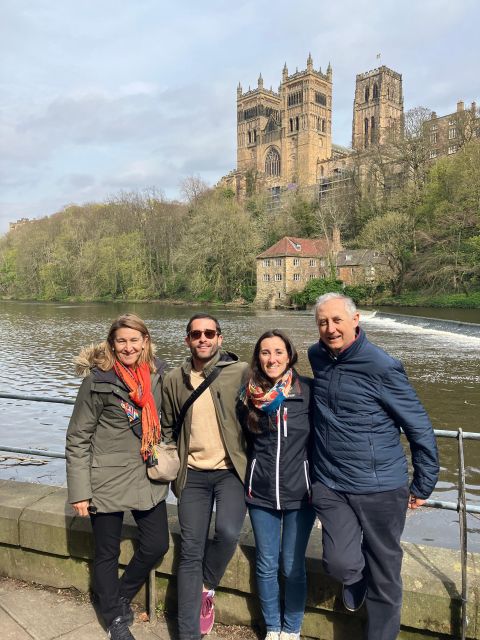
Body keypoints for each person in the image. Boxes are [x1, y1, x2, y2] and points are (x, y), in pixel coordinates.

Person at [308, 293, 439, 640]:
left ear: (356, 320)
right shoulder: (316, 356)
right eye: (323, 322)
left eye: (337, 320)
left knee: (385, 572)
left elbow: (418, 425)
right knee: (339, 562)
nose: (330, 328)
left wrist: (424, 483)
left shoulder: (381, 366)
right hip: (331, 482)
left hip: (380, 486)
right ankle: (354, 577)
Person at [66, 313, 169, 640]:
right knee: (107, 552)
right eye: (121, 341)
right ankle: (114, 619)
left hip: (146, 477)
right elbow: (77, 437)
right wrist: (80, 492)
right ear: (112, 344)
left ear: (145, 342)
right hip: (105, 479)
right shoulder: (97, 380)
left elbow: (171, 419)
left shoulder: (158, 375)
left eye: (134, 340)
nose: (127, 347)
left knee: (157, 544)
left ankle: (120, 593)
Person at [161, 313, 248, 640]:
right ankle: (188, 634)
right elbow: (168, 424)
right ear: (187, 340)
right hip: (193, 475)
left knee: (227, 531)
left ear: (219, 338)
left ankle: (206, 586)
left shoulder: (239, 372)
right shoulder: (174, 378)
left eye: (209, 333)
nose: (203, 338)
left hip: (230, 473)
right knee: (191, 549)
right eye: (196, 333)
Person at [240, 330, 316, 640]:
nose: (272, 358)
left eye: (278, 352)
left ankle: (292, 628)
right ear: (258, 357)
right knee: (266, 563)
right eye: (265, 352)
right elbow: (240, 442)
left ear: (290, 355)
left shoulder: (308, 392)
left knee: (292, 565)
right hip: (261, 493)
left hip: (301, 493)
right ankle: (273, 627)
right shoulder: (248, 396)